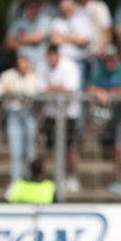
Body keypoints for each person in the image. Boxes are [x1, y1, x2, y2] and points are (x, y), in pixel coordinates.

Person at [87, 45, 121, 195]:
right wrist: (99, 92)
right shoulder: (102, 72)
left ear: (117, 58)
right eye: (107, 60)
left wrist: (105, 93)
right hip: (111, 118)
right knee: (116, 149)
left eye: (112, 59)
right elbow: (89, 88)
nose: (110, 63)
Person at [40, 44, 83, 193]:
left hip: (69, 114)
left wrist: (52, 88)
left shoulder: (70, 66)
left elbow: (69, 90)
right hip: (52, 114)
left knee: (70, 148)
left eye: (53, 54)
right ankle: (56, 178)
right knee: (50, 148)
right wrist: (57, 88)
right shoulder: (43, 67)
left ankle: (71, 177)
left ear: (58, 54)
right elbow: (41, 89)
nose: (51, 58)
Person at [0, 55, 39, 184]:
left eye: (26, 61)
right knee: (15, 151)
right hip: (14, 115)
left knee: (30, 151)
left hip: (29, 115)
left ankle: (30, 181)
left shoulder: (35, 75)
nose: (23, 65)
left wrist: (16, 90)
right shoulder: (9, 75)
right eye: (21, 61)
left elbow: (34, 92)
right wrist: (6, 90)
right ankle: (16, 182)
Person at [5, 0, 51, 80]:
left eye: (35, 7)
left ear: (40, 8)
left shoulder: (45, 20)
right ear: (26, 8)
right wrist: (30, 38)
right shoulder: (18, 21)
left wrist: (19, 38)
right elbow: (8, 43)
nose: (33, 10)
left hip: (41, 66)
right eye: (30, 7)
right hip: (22, 66)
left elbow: (38, 37)